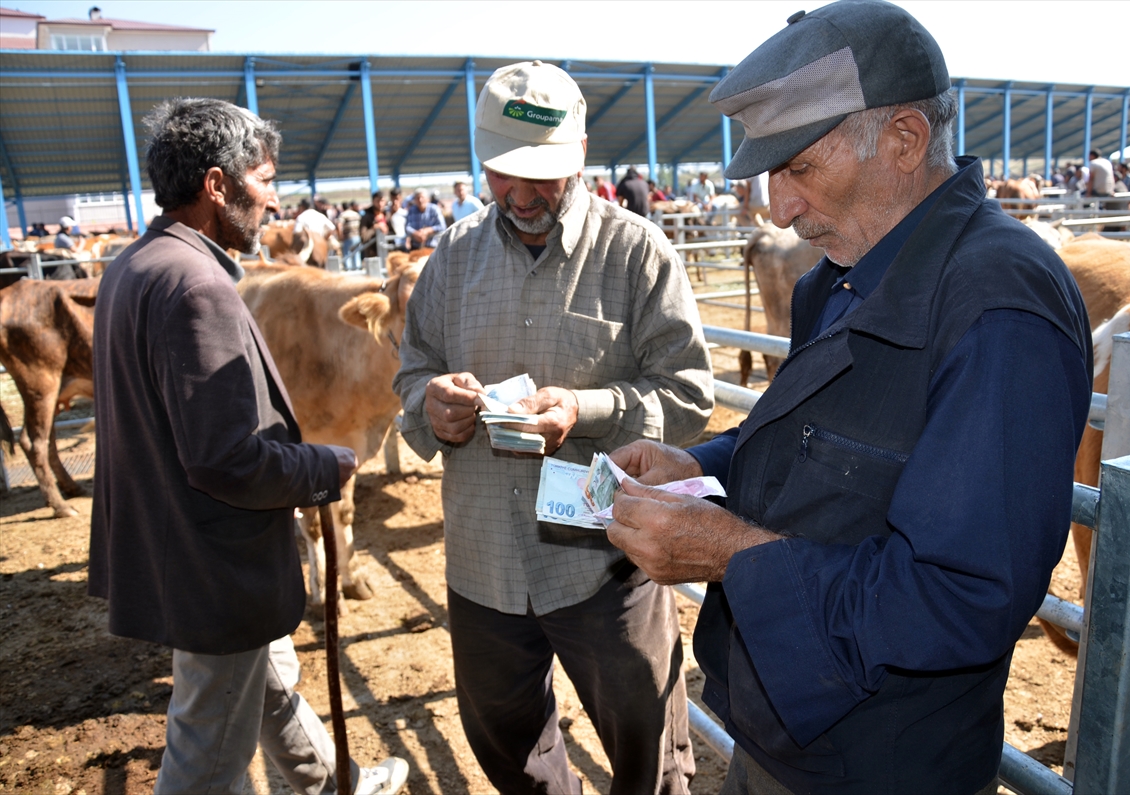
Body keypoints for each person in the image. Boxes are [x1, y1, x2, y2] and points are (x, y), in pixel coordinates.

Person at [602, 3, 1093, 793]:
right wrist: (694, 465)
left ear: (903, 140)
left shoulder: (999, 303)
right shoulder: (841, 274)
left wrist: (728, 552)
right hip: (784, 726)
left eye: (799, 167)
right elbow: (815, 445)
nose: (777, 206)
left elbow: (962, 594)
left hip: (880, 760)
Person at [395, 60, 713, 795]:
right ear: (482, 160)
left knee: (647, 754)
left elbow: (690, 395)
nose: (524, 194)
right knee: (508, 749)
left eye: (545, 172)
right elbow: (412, 371)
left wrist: (587, 409)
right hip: (483, 565)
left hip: (605, 556)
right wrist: (429, 403)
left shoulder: (636, 254)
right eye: (506, 173)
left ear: (582, 152)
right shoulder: (452, 258)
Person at [88, 97, 408, 795]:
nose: (273, 198)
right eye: (263, 179)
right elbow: (225, 457)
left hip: (176, 542)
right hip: (212, 562)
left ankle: (333, 783)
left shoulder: (134, 264)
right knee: (205, 758)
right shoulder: (199, 286)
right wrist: (326, 464)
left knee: (267, 679)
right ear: (216, 184)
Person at [339, 200, 363, 269]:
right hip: (357, 236)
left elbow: (339, 224)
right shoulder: (356, 214)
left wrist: (341, 235)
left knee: (346, 252)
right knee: (356, 252)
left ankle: (348, 268)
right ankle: (358, 267)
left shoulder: (343, 215)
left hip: (348, 236)